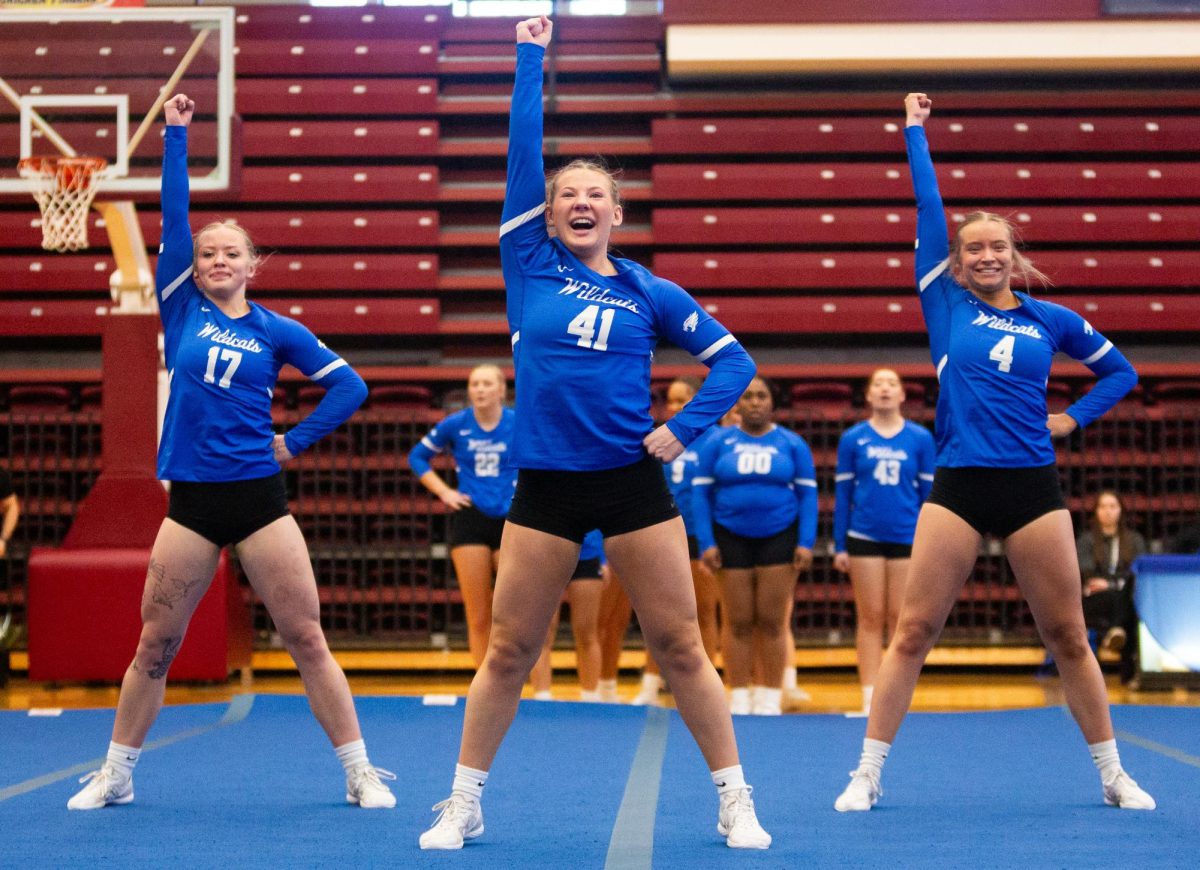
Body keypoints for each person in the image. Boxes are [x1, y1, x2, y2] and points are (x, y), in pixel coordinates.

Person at [419, 17, 770, 851]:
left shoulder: (649, 290)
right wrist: (531, 56)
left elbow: (733, 363)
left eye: (595, 195)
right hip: (544, 481)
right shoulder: (528, 261)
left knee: (683, 645)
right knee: (508, 649)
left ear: (617, 210)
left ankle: (735, 798)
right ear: (547, 209)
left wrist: (682, 430)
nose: (580, 203)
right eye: (566, 194)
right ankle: (464, 801)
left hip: (630, 479)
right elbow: (522, 146)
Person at [67, 93, 394, 812]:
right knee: (155, 643)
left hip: (257, 499)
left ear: (253, 264)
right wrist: (178, 137)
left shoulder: (278, 331)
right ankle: (116, 772)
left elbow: (350, 386)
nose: (217, 260)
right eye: (209, 253)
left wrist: (294, 443)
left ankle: (359, 770)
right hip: (190, 501)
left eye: (231, 253)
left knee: (306, 636)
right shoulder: (179, 303)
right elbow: (174, 219)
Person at [833, 92, 1153, 813]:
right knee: (914, 630)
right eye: (972, 246)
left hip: (1033, 486)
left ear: (1014, 257)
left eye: (996, 247)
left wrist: (1071, 419)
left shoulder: (1052, 319)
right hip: (960, 483)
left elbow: (1121, 372)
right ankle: (867, 772)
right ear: (958, 257)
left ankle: (1112, 772)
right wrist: (914, 132)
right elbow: (927, 209)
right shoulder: (944, 302)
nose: (984, 255)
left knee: (1069, 633)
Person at [693, 377, 818, 716]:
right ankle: (739, 693)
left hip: (779, 536)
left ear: (772, 403)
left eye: (762, 396)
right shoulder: (718, 443)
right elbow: (700, 494)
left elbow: (807, 495)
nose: (755, 402)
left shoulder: (792, 444)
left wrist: (806, 542)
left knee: (772, 620)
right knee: (737, 620)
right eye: (747, 396)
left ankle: (769, 695)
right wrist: (706, 541)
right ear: (737, 404)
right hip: (730, 536)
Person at [596, 377, 722, 706]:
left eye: (684, 400)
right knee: (655, 614)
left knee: (704, 613)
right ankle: (649, 683)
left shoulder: (716, 439)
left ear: (698, 400)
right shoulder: (657, 437)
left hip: (698, 535)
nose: (677, 407)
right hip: (658, 533)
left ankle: (706, 686)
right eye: (672, 401)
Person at [832, 369, 935, 714]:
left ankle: (896, 696)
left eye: (893, 384)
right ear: (869, 395)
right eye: (879, 384)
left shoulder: (920, 439)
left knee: (901, 620)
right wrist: (840, 544)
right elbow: (844, 493)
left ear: (903, 395)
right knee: (870, 618)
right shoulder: (854, 439)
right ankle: (869, 694)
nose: (886, 389)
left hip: (907, 535)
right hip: (865, 535)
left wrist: (930, 543)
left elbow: (929, 496)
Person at [408, 365, 516, 668]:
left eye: (486, 383)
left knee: (509, 612)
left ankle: (516, 681)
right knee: (478, 614)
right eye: (474, 384)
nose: (479, 389)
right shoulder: (456, 424)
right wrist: (445, 492)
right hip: (471, 519)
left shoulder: (518, 422)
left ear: (500, 390)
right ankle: (483, 682)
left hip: (511, 519)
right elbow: (417, 457)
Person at [1077, 490, 1146, 683]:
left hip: (1124, 596)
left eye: (1112, 506)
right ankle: (1127, 669)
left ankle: (1117, 632)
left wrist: (1110, 582)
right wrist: (1116, 583)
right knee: (1119, 600)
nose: (1108, 511)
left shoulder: (1134, 540)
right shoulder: (1086, 540)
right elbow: (1088, 574)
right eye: (1103, 506)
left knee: (1128, 605)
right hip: (1094, 600)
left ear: (1121, 511)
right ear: (1096, 511)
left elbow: (1138, 573)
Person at [530, 529, 606, 700]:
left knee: (587, 632)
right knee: (542, 634)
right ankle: (543, 698)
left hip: (587, 553)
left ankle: (590, 699)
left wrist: (602, 558)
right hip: (547, 552)